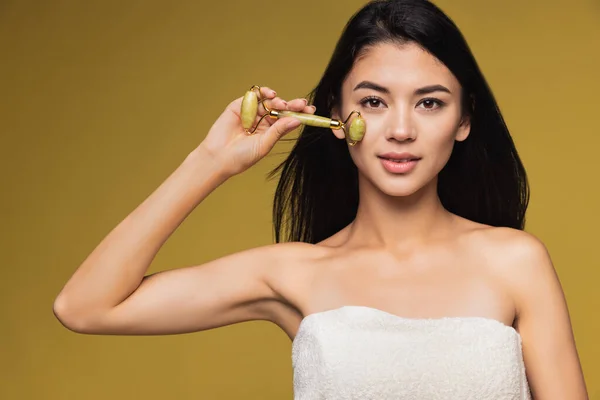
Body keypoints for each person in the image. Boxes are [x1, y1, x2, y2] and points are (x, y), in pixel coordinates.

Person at [53, 0, 589, 398]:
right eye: (374, 101)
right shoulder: (293, 274)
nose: (400, 130)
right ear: (337, 116)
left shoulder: (515, 261)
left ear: (464, 119)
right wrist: (211, 161)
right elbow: (85, 306)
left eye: (429, 103)